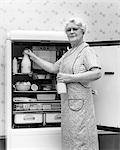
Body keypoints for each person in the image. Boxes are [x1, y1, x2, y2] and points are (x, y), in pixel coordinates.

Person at [24, 17, 102, 150]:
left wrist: (69, 78)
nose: (71, 32)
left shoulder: (86, 51)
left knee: (81, 139)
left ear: (83, 31)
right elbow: (54, 68)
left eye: (75, 29)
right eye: (68, 30)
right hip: (69, 103)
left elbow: (97, 73)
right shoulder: (69, 53)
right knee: (70, 138)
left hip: (81, 105)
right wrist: (33, 57)